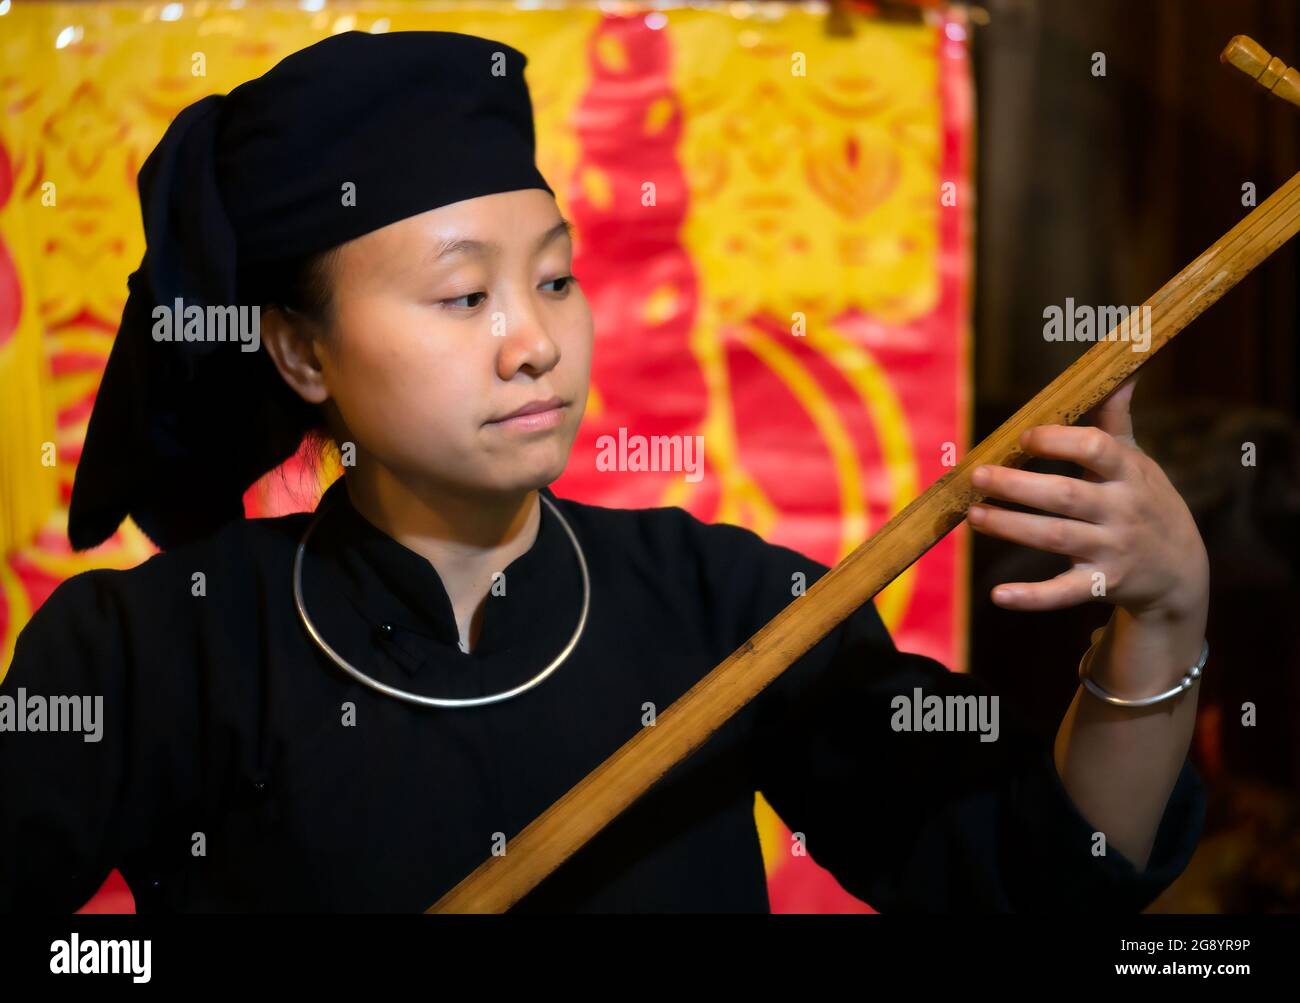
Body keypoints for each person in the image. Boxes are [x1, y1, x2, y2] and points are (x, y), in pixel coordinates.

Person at [0, 30, 1207, 914]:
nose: (534, 340)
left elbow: (1047, 882)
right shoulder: (151, 646)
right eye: (465, 294)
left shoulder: (729, 609)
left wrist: (1161, 621)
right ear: (303, 352)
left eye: (557, 278)